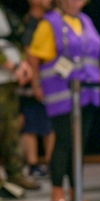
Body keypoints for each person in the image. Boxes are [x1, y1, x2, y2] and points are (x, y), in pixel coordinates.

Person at [26, 0, 100, 201]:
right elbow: (34, 56)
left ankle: (77, 195)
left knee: (79, 145)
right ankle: (57, 196)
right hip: (61, 93)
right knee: (63, 142)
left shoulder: (86, 21)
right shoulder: (49, 23)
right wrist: (35, 83)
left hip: (87, 93)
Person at [0, 4, 40, 194]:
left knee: (12, 128)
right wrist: (9, 64)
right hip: (5, 73)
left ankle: (15, 174)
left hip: (9, 81)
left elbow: (15, 38)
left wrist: (22, 62)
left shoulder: (6, 11)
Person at [18, 0, 55, 182]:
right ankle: (32, 164)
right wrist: (35, 83)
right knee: (31, 120)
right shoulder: (28, 22)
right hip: (31, 78)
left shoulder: (53, 19)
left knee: (51, 122)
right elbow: (28, 52)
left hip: (52, 78)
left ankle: (51, 162)